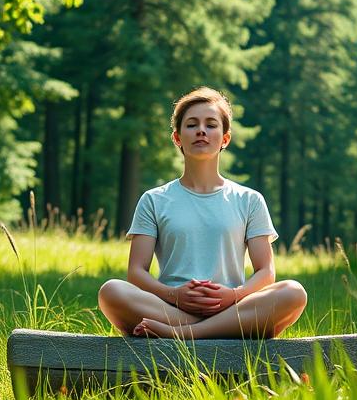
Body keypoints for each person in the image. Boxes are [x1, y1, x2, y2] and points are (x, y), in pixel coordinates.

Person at [98, 87, 307, 339]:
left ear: (225, 139)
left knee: (294, 292)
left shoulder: (249, 200)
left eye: (210, 125)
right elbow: (136, 272)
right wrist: (175, 295)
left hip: (233, 306)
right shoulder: (154, 200)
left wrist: (233, 295)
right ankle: (222, 330)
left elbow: (266, 272)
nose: (201, 131)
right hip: (171, 307)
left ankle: (186, 334)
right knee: (111, 291)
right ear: (177, 138)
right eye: (192, 125)